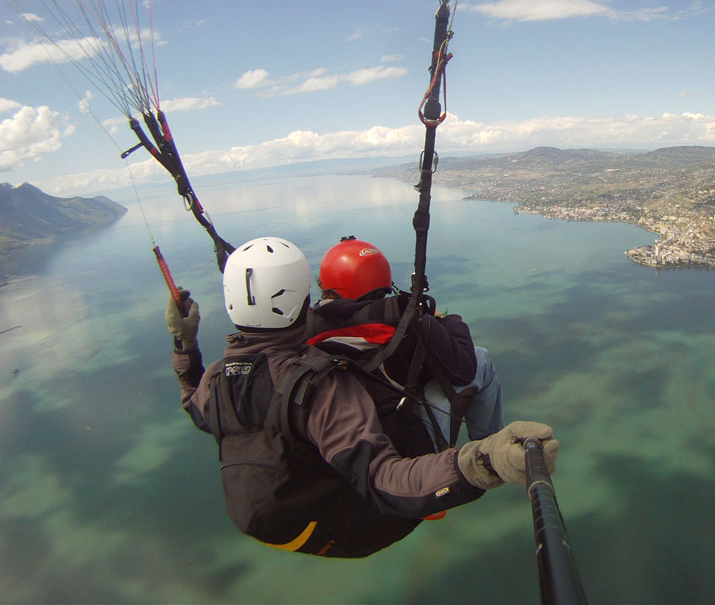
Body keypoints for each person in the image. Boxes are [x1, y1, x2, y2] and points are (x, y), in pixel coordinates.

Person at [166, 236, 558, 558]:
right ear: (302, 300)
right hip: (350, 524)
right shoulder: (319, 386)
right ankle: (485, 435)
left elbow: (194, 407)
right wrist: (483, 460)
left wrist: (184, 343)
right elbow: (384, 479)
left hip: (271, 521)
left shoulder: (217, 379)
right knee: (482, 361)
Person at [305, 236, 504, 448]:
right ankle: (492, 452)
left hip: (346, 446)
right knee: (481, 357)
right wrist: (445, 320)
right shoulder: (399, 322)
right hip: (407, 447)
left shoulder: (309, 327)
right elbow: (464, 367)